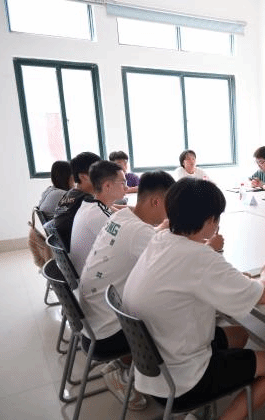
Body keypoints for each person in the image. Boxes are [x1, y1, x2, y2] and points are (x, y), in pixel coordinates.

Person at [123, 178, 265, 420]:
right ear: (210, 221)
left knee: (239, 334)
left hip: (152, 367)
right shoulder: (200, 258)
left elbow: (194, 273)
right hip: (181, 381)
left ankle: (203, 408)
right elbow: (263, 295)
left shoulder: (160, 239)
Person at [78, 171, 175, 411]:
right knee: (174, 314)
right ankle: (124, 371)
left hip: (91, 321)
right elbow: (173, 269)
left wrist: (160, 231)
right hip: (107, 333)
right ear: (156, 202)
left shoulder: (121, 216)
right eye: (171, 204)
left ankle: (122, 364)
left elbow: (146, 241)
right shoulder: (141, 233)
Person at [70, 160, 127, 276]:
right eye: (123, 183)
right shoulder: (98, 214)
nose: (126, 188)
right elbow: (128, 243)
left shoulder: (90, 205)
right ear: (107, 186)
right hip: (96, 278)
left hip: (88, 272)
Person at [48, 151, 101, 250]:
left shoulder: (71, 194)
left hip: (67, 249)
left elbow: (107, 207)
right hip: (79, 251)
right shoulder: (86, 200)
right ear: (84, 177)